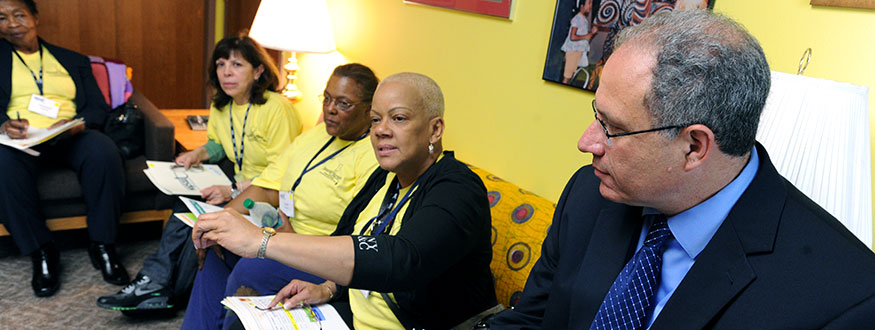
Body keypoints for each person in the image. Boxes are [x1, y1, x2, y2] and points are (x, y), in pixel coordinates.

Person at [489, 9, 875, 329]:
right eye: (596, 116)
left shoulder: (846, 298)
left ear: (694, 147)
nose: (587, 142)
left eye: (614, 129)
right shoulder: (588, 195)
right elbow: (532, 321)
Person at [191, 72, 498, 329]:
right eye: (376, 120)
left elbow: (402, 259)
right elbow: (349, 237)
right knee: (244, 320)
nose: (381, 131)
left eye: (399, 118)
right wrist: (327, 287)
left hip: (406, 323)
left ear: (435, 129)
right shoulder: (387, 178)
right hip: (347, 312)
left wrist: (262, 241)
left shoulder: (458, 187)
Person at [97, 34, 301, 312]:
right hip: (238, 188)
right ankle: (154, 282)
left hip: (266, 199)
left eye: (237, 65)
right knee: (183, 205)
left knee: (202, 219)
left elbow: (285, 172)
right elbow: (219, 144)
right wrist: (198, 154)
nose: (226, 72)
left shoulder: (278, 109)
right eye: (220, 64)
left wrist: (233, 191)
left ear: (258, 70)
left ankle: (161, 288)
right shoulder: (222, 106)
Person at [182, 63, 381, 329]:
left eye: (344, 104)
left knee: (250, 270)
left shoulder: (374, 157)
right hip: (277, 234)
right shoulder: (315, 136)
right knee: (215, 247)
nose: (330, 109)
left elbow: (359, 236)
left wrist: (291, 240)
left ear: (369, 109)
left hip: (319, 256)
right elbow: (267, 187)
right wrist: (222, 219)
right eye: (327, 98)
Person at [0, 0, 128, 297]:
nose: (12, 23)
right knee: (1, 162)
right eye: (2, 18)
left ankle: (103, 245)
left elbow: (98, 108)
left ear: (36, 18)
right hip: (21, 139)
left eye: (19, 15)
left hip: (68, 135)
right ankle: (42, 251)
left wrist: (79, 124)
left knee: (103, 151)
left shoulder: (72, 60)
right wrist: (4, 124)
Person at [561, 0, 597, 84]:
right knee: (567, 77)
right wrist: (586, 36)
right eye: (589, 3)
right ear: (582, 6)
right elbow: (572, 37)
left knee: (571, 77)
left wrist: (592, 33)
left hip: (578, 52)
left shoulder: (584, 20)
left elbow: (585, 38)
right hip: (573, 52)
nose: (591, 6)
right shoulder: (577, 18)